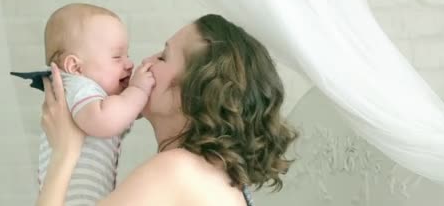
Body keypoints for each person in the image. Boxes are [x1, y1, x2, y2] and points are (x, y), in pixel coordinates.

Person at [37, 14, 298, 206]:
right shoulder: (213, 176)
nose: (144, 62)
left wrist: (64, 152)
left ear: (193, 94)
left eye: (163, 57)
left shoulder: (177, 171)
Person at [13, 3, 154, 205]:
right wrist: (138, 91)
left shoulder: (86, 91)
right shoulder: (79, 87)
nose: (129, 63)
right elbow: (105, 120)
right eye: (117, 57)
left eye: (127, 55)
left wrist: (135, 99)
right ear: (75, 67)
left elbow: (123, 112)